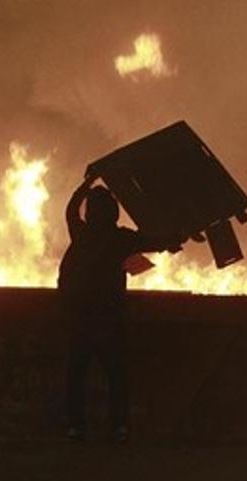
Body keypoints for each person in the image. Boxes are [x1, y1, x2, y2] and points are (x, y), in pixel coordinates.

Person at [58, 174, 182, 442]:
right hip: (107, 316)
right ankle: (119, 426)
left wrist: (88, 181)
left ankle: (75, 426)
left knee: (77, 374)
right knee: (115, 373)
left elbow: (70, 208)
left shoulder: (80, 233)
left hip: (80, 315)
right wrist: (174, 238)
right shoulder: (120, 239)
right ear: (113, 213)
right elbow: (154, 241)